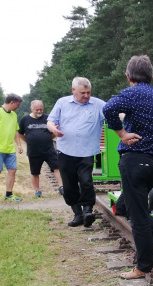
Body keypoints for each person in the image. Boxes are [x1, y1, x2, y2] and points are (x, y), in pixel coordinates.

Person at [102, 55, 153, 280]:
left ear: (128, 76)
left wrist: (121, 133)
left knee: (139, 216)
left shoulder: (133, 92)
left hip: (134, 162)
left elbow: (109, 108)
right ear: (151, 75)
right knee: (122, 207)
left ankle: (143, 267)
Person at [47, 77, 106, 227]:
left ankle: (87, 211)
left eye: (88, 92)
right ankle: (77, 214)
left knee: (86, 180)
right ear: (73, 90)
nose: (86, 96)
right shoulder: (62, 103)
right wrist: (53, 129)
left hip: (87, 150)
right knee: (69, 184)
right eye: (82, 93)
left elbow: (114, 115)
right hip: (66, 150)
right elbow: (50, 121)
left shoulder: (98, 104)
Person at [18, 100, 63, 198]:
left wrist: (48, 138)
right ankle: (37, 190)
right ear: (31, 109)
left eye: (41, 109)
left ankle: (61, 187)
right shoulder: (25, 119)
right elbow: (20, 133)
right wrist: (28, 141)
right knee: (34, 172)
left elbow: (53, 132)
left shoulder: (48, 118)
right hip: (33, 151)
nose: (39, 111)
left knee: (56, 167)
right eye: (36, 110)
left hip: (48, 149)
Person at [0, 93, 24, 201]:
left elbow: (16, 131)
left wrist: (19, 145)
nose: (18, 107)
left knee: (13, 170)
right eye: (17, 105)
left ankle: (9, 194)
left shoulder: (14, 115)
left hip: (9, 148)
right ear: (12, 102)